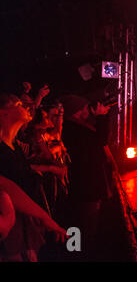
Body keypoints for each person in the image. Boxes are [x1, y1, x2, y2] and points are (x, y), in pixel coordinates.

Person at [0, 93, 66, 261]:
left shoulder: (15, 145)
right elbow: (8, 187)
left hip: (22, 217)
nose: (27, 107)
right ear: (3, 112)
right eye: (19, 104)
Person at [60, 94, 112, 260]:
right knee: (83, 225)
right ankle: (78, 256)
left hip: (84, 184)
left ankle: (76, 253)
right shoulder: (73, 129)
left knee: (82, 225)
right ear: (77, 111)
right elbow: (100, 140)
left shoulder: (75, 126)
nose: (87, 111)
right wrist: (103, 117)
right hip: (85, 185)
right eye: (84, 108)